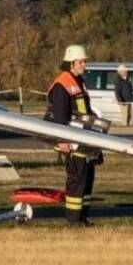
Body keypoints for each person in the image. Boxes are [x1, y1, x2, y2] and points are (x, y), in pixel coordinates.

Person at [46, 44, 98, 226]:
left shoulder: (79, 82)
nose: (85, 65)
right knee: (77, 179)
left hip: (83, 136)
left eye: (84, 61)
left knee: (87, 178)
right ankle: (73, 220)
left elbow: (84, 109)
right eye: (81, 61)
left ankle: (83, 217)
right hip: (72, 140)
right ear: (72, 63)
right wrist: (62, 140)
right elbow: (60, 116)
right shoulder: (62, 84)